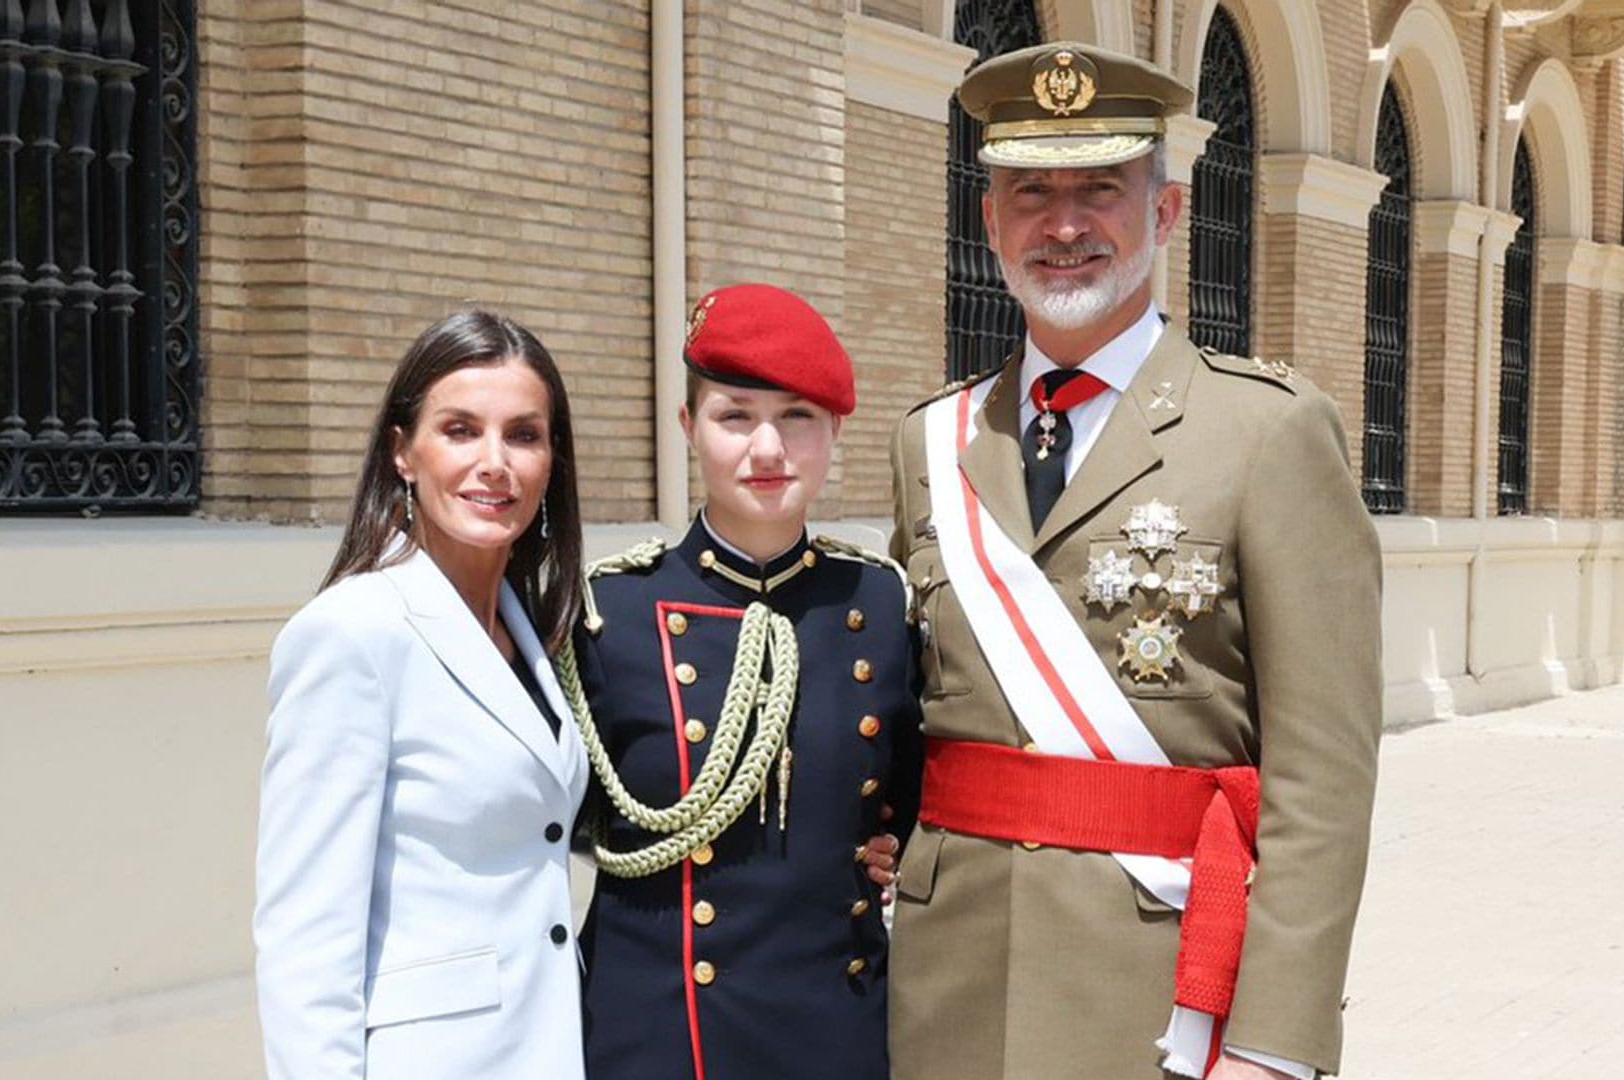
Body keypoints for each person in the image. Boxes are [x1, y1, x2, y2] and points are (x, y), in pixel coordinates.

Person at [885, 43, 1383, 1080]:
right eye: (1031, 193)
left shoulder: (1267, 433)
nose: (1064, 226)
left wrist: (1275, 1043)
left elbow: (1322, 779)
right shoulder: (929, 442)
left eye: (1100, 190)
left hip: (1159, 991)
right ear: (990, 220)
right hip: (948, 985)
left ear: (1163, 214)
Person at [566, 283, 922, 1080]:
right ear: (689, 428)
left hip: (839, 1029)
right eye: (735, 415)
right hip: (654, 1033)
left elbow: (923, 793)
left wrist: (904, 851)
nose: (768, 449)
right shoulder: (606, 610)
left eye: (797, 416)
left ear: (834, 429)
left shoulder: (882, 602)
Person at [253, 310, 590, 1079]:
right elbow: (306, 935)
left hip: (550, 1048)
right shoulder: (351, 634)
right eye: (461, 430)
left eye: (524, 435)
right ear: (403, 451)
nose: (494, 462)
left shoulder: (536, 632)